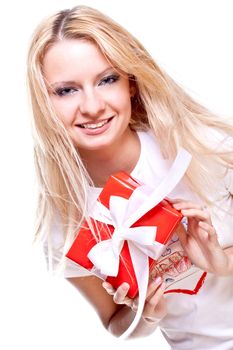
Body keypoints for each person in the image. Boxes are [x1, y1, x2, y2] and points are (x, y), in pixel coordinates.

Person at [27, 5, 233, 348]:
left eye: (107, 80)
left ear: (131, 84)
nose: (92, 106)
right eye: (66, 90)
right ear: (44, 101)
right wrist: (144, 314)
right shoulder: (65, 219)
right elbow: (115, 321)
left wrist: (223, 261)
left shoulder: (203, 147)